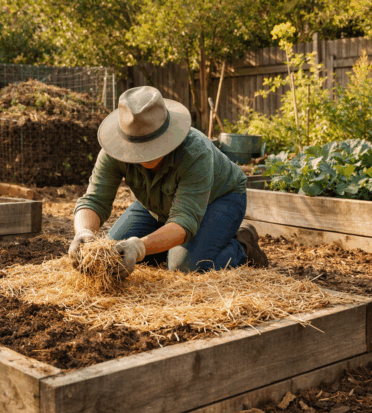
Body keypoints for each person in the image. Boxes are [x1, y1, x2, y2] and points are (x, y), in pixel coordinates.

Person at [69, 86, 268, 277]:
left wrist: (140, 247)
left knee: (185, 265)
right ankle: (186, 245)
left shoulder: (196, 152)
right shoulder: (114, 151)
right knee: (114, 254)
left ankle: (242, 245)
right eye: (138, 147)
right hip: (162, 203)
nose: (144, 153)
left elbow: (183, 220)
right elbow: (94, 201)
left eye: (151, 145)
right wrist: (84, 233)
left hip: (220, 199)